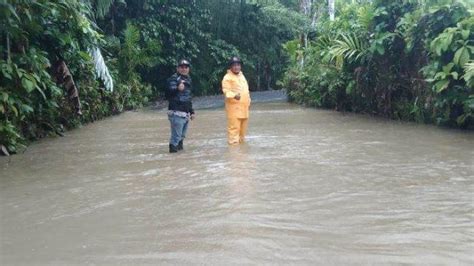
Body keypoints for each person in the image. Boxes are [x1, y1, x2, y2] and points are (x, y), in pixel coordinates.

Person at [166, 59, 195, 153]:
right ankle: (173, 157)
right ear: (177, 68)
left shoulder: (188, 79)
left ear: (188, 69)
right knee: (176, 137)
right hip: (176, 112)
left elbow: (188, 97)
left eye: (186, 67)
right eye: (181, 67)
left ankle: (180, 160)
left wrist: (192, 111)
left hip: (185, 112)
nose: (184, 69)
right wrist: (177, 89)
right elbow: (168, 92)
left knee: (181, 137)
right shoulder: (173, 79)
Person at [221, 57, 251, 145]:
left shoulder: (242, 76)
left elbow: (246, 91)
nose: (236, 67)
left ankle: (241, 153)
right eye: (234, 65)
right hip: (234, 110)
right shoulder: (227, 78)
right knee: (234, 131)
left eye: (238, 65)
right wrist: (234, 95)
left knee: (242, 134)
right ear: (231, 66)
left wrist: (249, 101)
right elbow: (226, 91)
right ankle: (234, 155)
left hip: (244, 109)